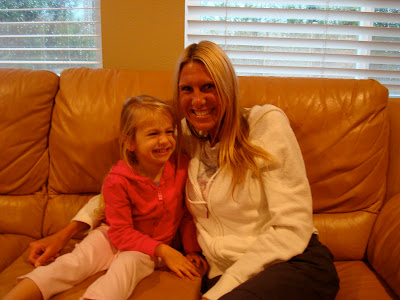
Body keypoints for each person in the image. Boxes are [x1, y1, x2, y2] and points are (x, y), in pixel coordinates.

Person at [22, 41, 340, 299]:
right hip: (222, 272)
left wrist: (225, 288)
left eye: (208, 87)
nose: (197, 100)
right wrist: (64, 234)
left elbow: (292, 228)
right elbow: (128, 183)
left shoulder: (265, 124)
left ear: (228, 88)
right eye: (187, 90)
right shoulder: (181, 136)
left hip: (290, 260)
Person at [4, 95, 207, 300]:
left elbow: (187, 215)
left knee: (124, 270)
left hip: (147, 250)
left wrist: (192, 250)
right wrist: (164, 250)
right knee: (73, 263)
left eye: (169, 131)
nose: (164, 140)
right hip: (113, 236)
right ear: (130, 142)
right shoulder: (117, 179)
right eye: (153, 133)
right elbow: (120, 232)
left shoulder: (181, 168)